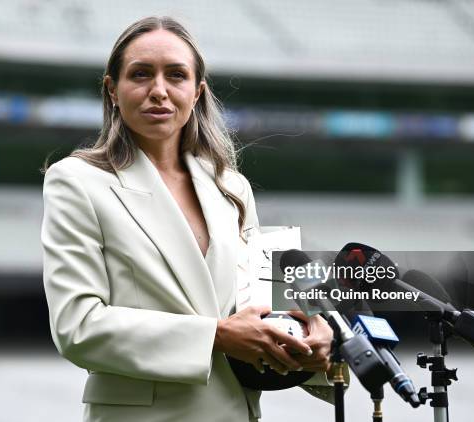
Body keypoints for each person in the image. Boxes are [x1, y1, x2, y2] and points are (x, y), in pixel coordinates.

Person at [41, 16, 337, 422]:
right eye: (141, 74)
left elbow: (268, 309)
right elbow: (79, 326)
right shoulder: (76, 181)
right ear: (112, 90)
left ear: (196, 93)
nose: (158, 91)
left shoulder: (233, 188)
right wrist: (216, 336)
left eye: (176, 75)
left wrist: (317, 338)